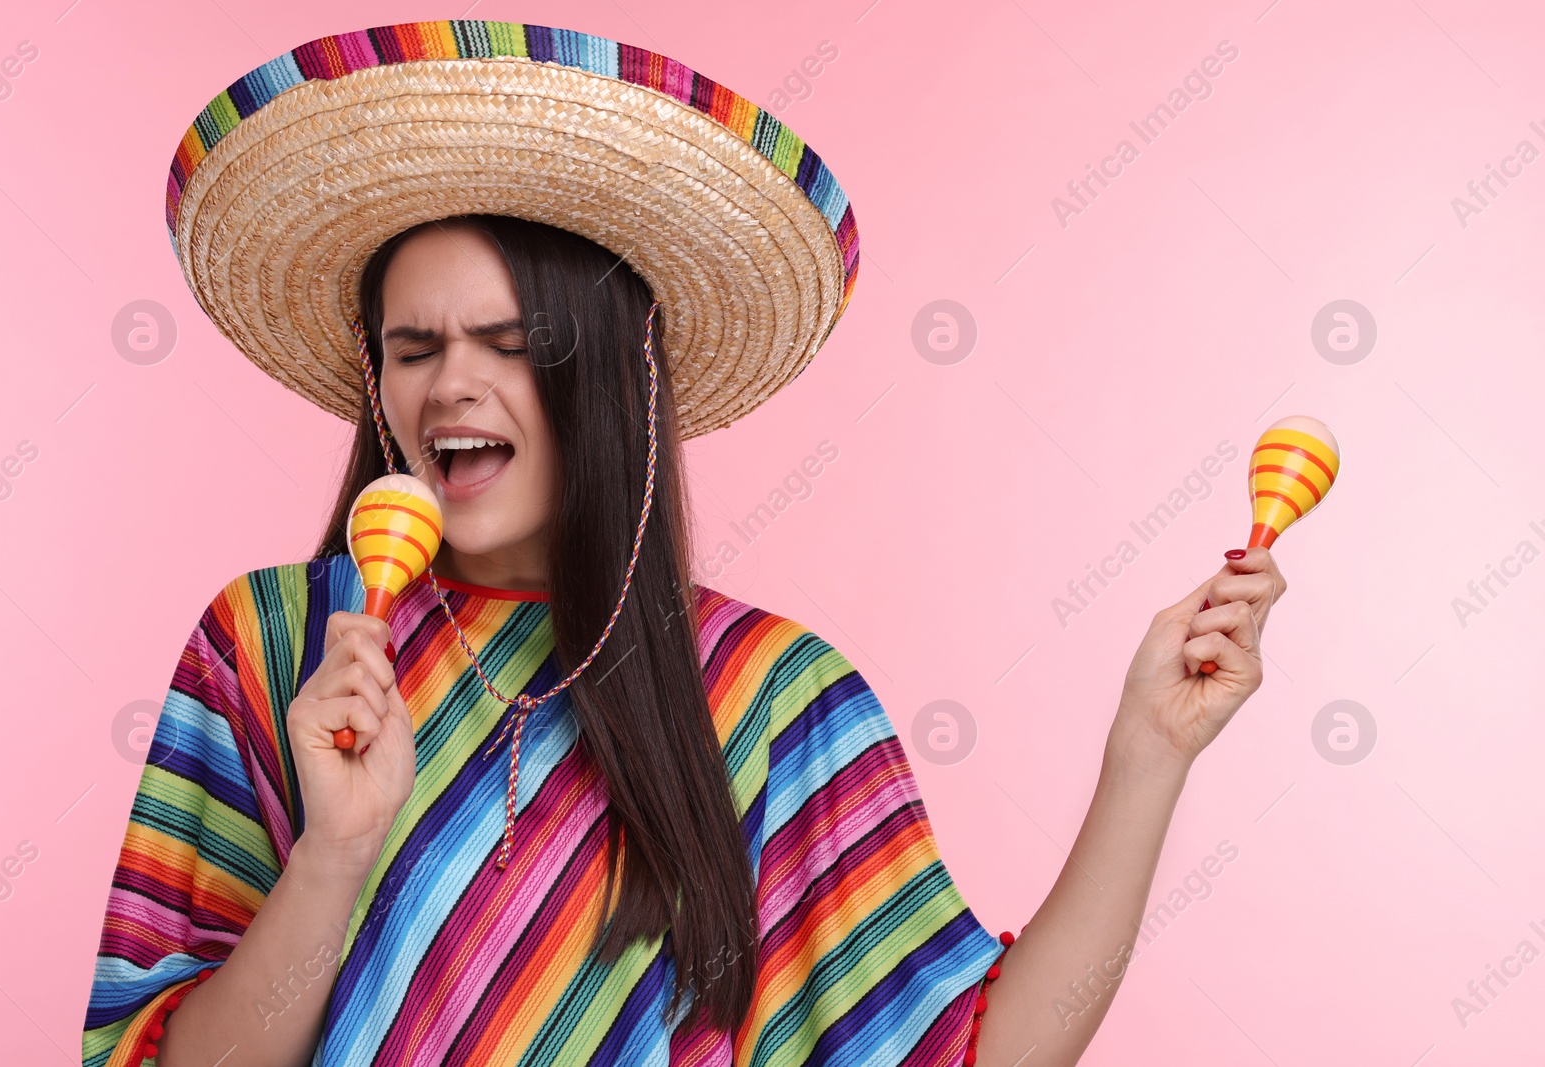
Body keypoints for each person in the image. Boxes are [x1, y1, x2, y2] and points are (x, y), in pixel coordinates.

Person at [81, 21, 1284, 1067]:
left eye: (511, 343)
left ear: (613, 376)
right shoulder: (272, 644)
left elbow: (975, 1049)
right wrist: (336, 854)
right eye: (414, 346)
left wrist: (1149, 750)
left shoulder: (769, 693)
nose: (453, 385)